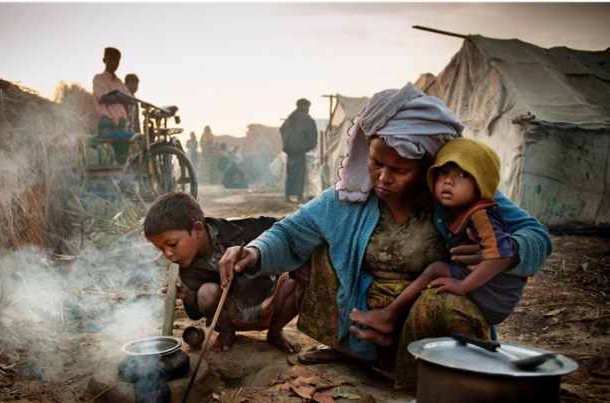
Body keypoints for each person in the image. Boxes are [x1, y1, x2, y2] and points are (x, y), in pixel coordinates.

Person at [219, 83, 551, 387]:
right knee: (316, 252)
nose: (383, 179)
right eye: (376, 163)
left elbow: (536, 235)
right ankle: (350, 349)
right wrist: (254, 252)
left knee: (443, 305)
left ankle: (420, 371)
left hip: (421, 317)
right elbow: (293, 231)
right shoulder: (352, 195)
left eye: (400, 171)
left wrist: (505, 251)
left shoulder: (458, 193)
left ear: (427, 167)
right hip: (363, 313)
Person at [350, 137, 526, 335]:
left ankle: (389, 316)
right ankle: (389, 330)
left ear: (482, 183)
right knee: (435, 276)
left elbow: (502, 254)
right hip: (485, 290)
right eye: (442, 172)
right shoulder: (462, 211)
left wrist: (463, 285)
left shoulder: (481, 214)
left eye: (463, 174)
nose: (449, 180)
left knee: (436, 270)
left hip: (492, 295)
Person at [143, 193, 300, 354]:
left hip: (270, 300)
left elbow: (286, 227)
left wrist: (257, 249)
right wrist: (188, 295)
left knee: (300, 278)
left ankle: (275, 331)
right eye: (161, 248)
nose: (167, 254)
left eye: (172, 244)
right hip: (233, 316)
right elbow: (196, 312)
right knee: (206, 293)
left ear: (198, 229)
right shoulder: (185, 265)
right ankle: (227, 331)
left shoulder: (238, 229)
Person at [280, 98, 318, 204]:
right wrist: (307, 145)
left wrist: (288, 143)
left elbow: (282, 129)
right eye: (307, 106)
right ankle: (299, 196)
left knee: (290, 172)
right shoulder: (305, 118)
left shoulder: (289, 118)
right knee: (300, 173)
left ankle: (287, 196)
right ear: (303, 105)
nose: (308, 109)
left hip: (290, 150)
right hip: (299, 150)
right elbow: (312, 133)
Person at [92, 47, 132, 136]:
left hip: (122, 124)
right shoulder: (99, 79)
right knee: (107, 149)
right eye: (111, 59)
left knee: (122, 149)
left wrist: (113, 97)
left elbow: (131, 100)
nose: (114, 63)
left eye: (117, 60)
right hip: (107, 124)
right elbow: (105, 96)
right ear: (104, 60)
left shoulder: (119, 82)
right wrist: (121, 97)